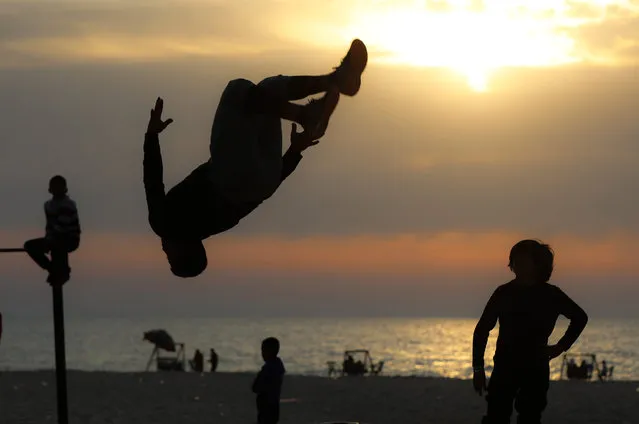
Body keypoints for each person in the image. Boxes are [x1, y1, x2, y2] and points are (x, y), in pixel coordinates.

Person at [143, 39, 368, 278]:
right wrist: (151, 135)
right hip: (229, 175)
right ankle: (309, 111)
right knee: (238, 92)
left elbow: (258, 196)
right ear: (182, 251)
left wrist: (294, 152)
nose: (164, 250)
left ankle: (334, 82)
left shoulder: (220, 224)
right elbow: (153, 182)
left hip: (266, 180)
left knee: (265, 93)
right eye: (169, 256)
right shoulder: (163, 224)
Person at [472, 239, 588, 424]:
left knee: (530, 417)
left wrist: (560, 346)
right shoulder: (503, 292)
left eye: (523, 260)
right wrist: (478, 369)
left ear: (537, 265)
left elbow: (580, 317)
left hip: (536, 367)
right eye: (515, 260)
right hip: (505, 364)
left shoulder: (551, 295)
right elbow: (482, 330)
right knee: (496, 416)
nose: (517, 264)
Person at [23, 176, 81, 285]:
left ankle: (59, 271)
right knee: (29, 246)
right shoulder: (48, 205)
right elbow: (50, 227)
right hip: (54, 238)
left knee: (58, 244)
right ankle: (54, 269)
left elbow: (63, 228)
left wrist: (49, 241)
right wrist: (48, 240)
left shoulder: (67, 204)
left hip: (69, 239)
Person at [252, 337, 285, 424]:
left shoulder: (268, 369)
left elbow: (256, 387)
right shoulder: (277, 367)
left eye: (263, 351)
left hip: (267, 406)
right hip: (273, 406)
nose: (262, 354)